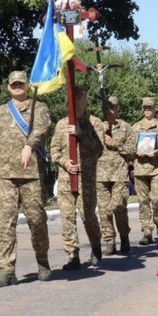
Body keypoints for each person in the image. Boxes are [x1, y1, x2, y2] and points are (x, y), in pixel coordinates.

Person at [0, 71, 52, 288]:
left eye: (21, 84)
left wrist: (29, 145)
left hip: (31, 174)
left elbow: (42, 129)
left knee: (37, 220)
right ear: (8, 87)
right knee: (5, 223)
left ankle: (42, 261)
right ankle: (7, 270)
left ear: (28, 85)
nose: (17, 87)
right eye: (13, 84)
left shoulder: (38, 108)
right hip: (5, 176)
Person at [51, 85, 104, 269]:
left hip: (86, 178)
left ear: (85, 99)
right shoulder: (61, 124)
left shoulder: (94, 123)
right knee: (67, 217)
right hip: (66, 178)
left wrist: (82, 134)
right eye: (71, 98)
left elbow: (99, 149)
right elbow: (54, 151)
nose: (74, 101)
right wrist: (64, 162)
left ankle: (96, 247)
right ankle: (72, 255)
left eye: (78, 97)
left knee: (87, 215)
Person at [130, 97, 158, 245]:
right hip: (140, 169)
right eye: (145, 107)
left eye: (150, 107)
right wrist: (135, 152)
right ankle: (147, 231)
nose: (147, 110)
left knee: (157, 199)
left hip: (156, 169)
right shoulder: (135, 128)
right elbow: (129, 148)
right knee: (143, 201)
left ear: (155, 108)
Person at [97, 96, 133, 255]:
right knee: (104, 210)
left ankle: (124, 237)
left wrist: (115, 144)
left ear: (118, 109)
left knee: (118, 208)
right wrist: (101, 133)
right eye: (107, 107)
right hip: (100, 174)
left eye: (113, 107)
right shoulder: (97, 125)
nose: (110, 111)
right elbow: (88, 147)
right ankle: (109, 241)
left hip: (119, 174)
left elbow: (132, 150)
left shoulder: (126, 127)